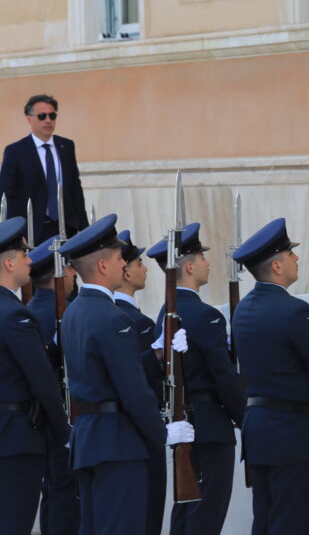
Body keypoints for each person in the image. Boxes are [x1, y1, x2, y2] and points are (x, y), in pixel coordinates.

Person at [59, 214, 194, 535]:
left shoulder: (76, 311)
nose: (126, 265)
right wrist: (164, 433)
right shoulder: (111, 317)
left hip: (90, 440)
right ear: (103, 266)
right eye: (120, 259)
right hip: (118, 445)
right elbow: (132, 390)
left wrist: (158, 353)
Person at [232, 218, 309, 535]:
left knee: (266, 521)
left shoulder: (243, 308)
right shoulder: (296, 311)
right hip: (292, 435)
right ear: (278, 266)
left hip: (260, 431)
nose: (297, 259)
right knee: (298, 523)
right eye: (290, 254)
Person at [147, 222, 245, 535]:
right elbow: (224, 376)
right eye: (202, 258)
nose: (208, 263)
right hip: (210, 429)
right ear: (188, 266)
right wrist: (246, 417)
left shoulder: (166, 312)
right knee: (206, 516)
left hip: (185, 423)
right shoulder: (206, 316)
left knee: (187, 513)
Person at [0, 217, 71, 535]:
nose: (30, 260)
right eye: (24, 254)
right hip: (17, 441)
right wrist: (65, 436)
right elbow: (43, 383)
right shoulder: (16, 315)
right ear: (8, 262)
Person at [113, 229, 169, 535]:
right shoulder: (128, 320)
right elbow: (135, 379)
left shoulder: (132, 317)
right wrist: (158, 355)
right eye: (138, 263)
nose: (144, 268)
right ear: (123, 271)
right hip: (141, 435)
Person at [26, 236, 80, 535]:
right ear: (62, 273)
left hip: (43, 420)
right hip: (62, 415)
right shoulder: (59, 313)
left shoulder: (32, 309)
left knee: (54, 494)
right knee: (66, 497)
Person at [0, 94, 89, 245]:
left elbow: (75, 188)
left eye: (52, 115)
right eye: (42, 116)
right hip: (32, 230)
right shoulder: (16, 151)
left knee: (66, 268)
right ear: (29, 118)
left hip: (66, 227)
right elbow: (7, 193)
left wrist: (85, 228)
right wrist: (15, 231)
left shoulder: (66, 146)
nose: (48, 120)